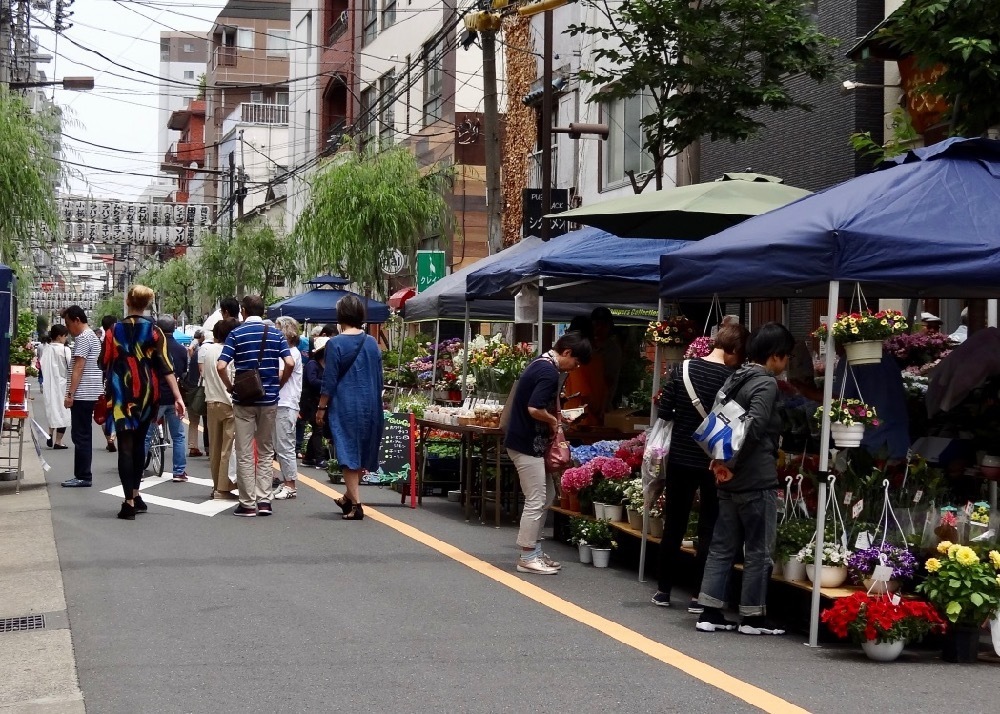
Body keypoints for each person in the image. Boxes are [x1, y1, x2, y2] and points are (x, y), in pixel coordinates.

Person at [695, 322, 794, 636]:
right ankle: (752, 617)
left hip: (727, 475)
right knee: (758, 548)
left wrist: (720, 461)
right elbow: (753, 427)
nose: (787, 362)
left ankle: (709, 611)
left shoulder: (734, 377)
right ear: (775, 356)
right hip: (754, 476)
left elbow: (717, 419)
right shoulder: (765, 384)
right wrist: (734, 463)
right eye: (786, 356)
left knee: (722, 545)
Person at [652, 322, 749, 611]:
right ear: (733, 350)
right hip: (713, 460)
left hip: (681, 457)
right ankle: (698, 595)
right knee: (708, 527)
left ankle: (663, 591)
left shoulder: (682, 370)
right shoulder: (733, 378)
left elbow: (665, 410)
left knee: (674, 524)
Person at [506, 332, 592, 574]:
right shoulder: (548, 372)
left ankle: (534, 550)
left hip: (526, 442)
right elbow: (534, 408)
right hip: (527, 444)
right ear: (566, 352)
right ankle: (527, 556)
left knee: (547, 495)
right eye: (575, 363)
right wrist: (554, 421)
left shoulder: (540, 363)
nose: (574, 369)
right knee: (536, 499)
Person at [101, 286, 184, 519]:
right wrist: (178, 397)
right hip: (148, 393)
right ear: (146, 305)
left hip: (121, 393)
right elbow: (166, 366)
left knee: (125, 447)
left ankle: (128, 501)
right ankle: (136, 494)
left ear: (128, 301)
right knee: (139, 445)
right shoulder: (155, 331)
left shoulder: (113, 330)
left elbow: (102, 362)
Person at [217, 295, 293, 518]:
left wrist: (231, 387)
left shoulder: (236, 334)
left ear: (243, 310)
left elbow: (222, 365)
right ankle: (264, 501)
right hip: (269, 399)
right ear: (263, 311)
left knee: (245, 452)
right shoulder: (276, 335)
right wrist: (280, 383)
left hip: (244, 400)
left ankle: (247, 503)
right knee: (266, 450)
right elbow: (290, 363)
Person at [316, 295, 384, 521]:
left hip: (345, 406)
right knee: (362, 452)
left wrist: (321, 408)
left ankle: (356, 505)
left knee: (347, 452)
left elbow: (329, 380)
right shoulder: (372, 342)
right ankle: (347, 497)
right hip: (371, 405)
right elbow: (379, 377)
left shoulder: (335, 344)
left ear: (340, 315)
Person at [61, 305, 105, 488]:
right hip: (91, 391)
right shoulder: (92, 337)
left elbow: (78, 367)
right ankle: (83, 474)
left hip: (83, 393)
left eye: (68, 323)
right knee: (83, 434)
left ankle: (83, 475)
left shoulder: (83, 338)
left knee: (80, 435)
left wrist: (70, 393)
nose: (68, 329)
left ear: (77, 320)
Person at [144, 316, 189, 481]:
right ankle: (179, 471)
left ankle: (139, 469)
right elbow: (183, 372)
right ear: (175, 327)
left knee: (146, 435)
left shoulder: (152, 348)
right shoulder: (181, 349)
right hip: (173, 396)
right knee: (178, 436)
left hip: (155, 397)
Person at [561, 308, 620, 425]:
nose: (598, 330)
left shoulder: (586, 359)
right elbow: (593, 392)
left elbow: (586, 393)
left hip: (581, 419)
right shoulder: (591, 358)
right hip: (585, 419)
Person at [201, 318, 238, 499]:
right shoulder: (230, 352)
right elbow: (232, 375)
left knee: (215, 449)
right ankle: (223, 489)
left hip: (211, 401)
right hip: (228, 402)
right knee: (227, 448)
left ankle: (216, 485)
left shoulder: (207, 352)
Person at [273, 317, 303, 500]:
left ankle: (290, 484)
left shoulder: (290, 353)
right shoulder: (290, 352)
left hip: (285, 403)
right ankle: (286, 482)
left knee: (285, 446)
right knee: (280, 445)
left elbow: (279, 375)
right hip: (284, 403)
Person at [40, 325, 72, 449]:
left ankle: (49, 434)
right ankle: (58, 441)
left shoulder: (46, 349)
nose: (66, 338)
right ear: (59, 336)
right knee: (63, 413)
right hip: (63, 385)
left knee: (51, 409)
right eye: (65, 336)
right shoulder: (65, 350)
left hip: (49, 384)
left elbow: (42, 364)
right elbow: (71, 367)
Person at [301, 335, 329, 467]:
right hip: (310, 401)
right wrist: (327, 384)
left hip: (318, 401)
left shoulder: (325, 365)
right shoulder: (312, 364)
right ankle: (319, 458)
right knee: (318, 428)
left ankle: (308, 456)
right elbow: (312, 381)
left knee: (318, 428)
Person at [185, 329, 209, 456]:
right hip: (203, 390)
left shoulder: (194, 353)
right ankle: (209, 447)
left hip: (191, 388)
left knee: (193, 420)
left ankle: (193, 446)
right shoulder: (206, 351)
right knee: (207, 420)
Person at [100, 316, 118, 453]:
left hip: (113, 378)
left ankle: (110, 437)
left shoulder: (109, 335)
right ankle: (114, 436)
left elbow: (104, 359)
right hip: (131, 379)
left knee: (110, 408)